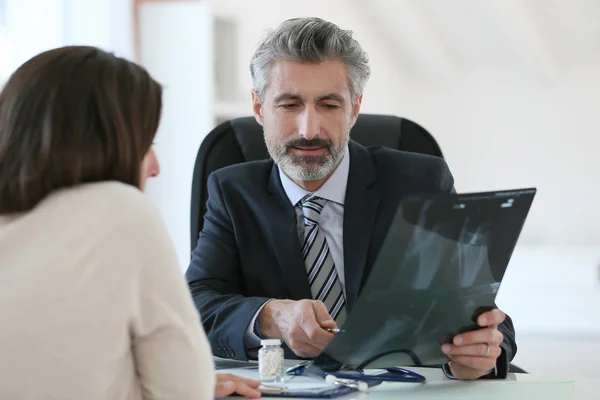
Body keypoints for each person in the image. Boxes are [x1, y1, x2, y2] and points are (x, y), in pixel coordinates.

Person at [186, 17, 516, 380]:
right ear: (259, 107)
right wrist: (271, 316)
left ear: (355, 108)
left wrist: (477, 354)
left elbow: (477, 311)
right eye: (289, 105)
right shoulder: (233, 193)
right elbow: (194, 304)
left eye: (329, 105)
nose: (308, 130)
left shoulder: (419, 182)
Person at [0, 46, 260, 399]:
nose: (154, 167)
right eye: (145, 144)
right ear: (101, 144)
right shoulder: (119, 210)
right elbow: (182, 389)